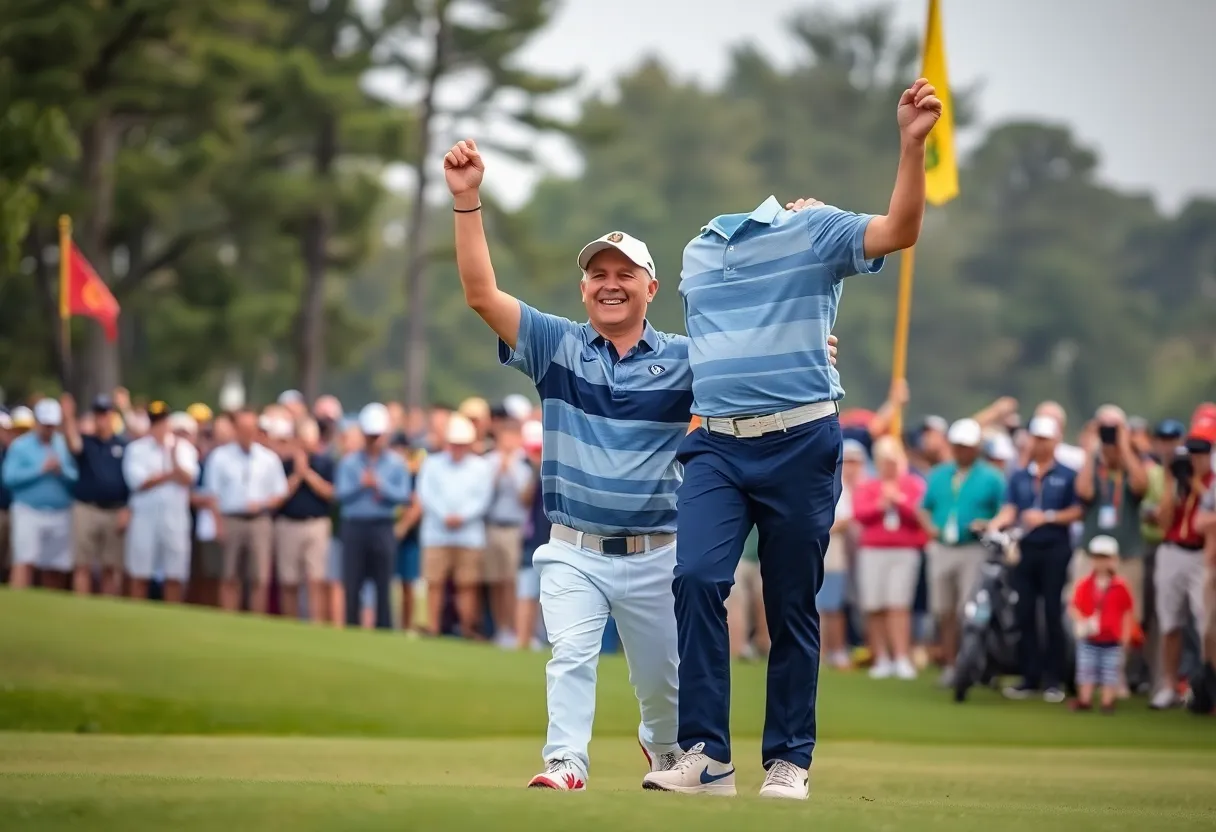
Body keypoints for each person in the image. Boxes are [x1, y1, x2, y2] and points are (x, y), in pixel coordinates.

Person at [444, 137, 839, 792]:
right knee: (570, 655)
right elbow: (481, 294)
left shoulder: (689, 357)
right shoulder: (555, 345)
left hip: (657, 552)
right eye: (598, 274)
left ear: (652, 287)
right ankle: (565, 763)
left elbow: (756, 359)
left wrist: (811, 344)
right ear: (583, 287)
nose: (610, 284)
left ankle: (666, 751)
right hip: (572, 548)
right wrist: (466, 201)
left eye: (625, 274)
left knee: (663, 691)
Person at [645, 77, 941, 800]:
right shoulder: (695, 252)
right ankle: (706, 756)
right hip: (717, 445)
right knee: (696, 579)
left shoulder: (816, 228)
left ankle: (789, 760)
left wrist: (910, 146)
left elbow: (900, 230)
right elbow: (716, 347)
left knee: (790, 604)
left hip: (801, 441)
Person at [988, 415, 1083, 703]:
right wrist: (995, 525)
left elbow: (1077, 511)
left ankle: (1054, 679)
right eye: (1036, 438)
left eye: (1044, 439)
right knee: (1024, 611)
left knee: (1052, 612)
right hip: (1025, 549)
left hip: (1055, 548)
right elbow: (1010, 508)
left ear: (1055, 441)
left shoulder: (1068, 474)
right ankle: (1030, 677)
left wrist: (1047, 517)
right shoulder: (1019, 475)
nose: (1039, 444)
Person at [919, 418, 1006, 687]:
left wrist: (989, 524)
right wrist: (930, 528)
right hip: (943, 547)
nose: (961, 451)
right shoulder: (939, 474)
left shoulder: (992, 477)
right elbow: (923, 508)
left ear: (977, 447)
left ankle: (973, 665)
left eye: (966, 446)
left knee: (967, 610)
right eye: (957, 446)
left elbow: (1004, 510)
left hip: (973, 548)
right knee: (944, 610)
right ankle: (951, 665)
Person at [852, 435, 928, 680]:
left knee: (898, 605)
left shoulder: (912, 484)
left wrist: (899, 502)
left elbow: (920, 515)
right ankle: (881, 658)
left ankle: (901, 657)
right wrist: (880, 505)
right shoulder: (869, 486)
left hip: (904, 551)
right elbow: (860, 514)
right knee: (875, 605)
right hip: (873, 550)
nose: (888, 466)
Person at [1149, 418, 1214, 709]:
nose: (1196, 460)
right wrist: (1171, 482)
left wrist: (1195, 484)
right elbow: (1163, 522)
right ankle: (1169, 685)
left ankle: (1203, 686)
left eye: (1201, 454)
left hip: (1201, 555)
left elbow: (1205, 516)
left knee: (1205, 626)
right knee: (1169, 622)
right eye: (1193, 454)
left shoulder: (1210, 483)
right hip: (1172, 550)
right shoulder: (1176, 479)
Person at [334, 403, 411, 630]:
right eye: (370, 436)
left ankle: (384, 628)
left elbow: (403, 495)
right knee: (352, 581)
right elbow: (340, 494)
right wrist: (361, 485)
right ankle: (351, 628)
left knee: (384, 583)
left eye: (377, 436)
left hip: (382, 526)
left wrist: (379, 485)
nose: (373, 440)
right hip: (354, 525)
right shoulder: (349, 462)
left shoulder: (396, 463)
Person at [417, 414, 494, 638]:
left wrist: (462, 517)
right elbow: (426, 494)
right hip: (437, 532)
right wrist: (445, 515)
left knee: (468, 583)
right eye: (454, 444)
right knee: (434, 582)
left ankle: (467, 628)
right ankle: (433, 627)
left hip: (468, 534)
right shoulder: (432, 464)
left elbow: (482, 498)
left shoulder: (480, 467)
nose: (457, 449)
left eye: (461, 444)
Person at [205, 409, 289, 614]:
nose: (248, 433)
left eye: (251, 428)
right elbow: (212, 494)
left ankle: (256, 620)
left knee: (260, 576)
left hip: (259, 520)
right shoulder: (220, 457)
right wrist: (217, 524)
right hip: (231, 518)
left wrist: (262, 504)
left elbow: (280, 493)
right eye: (243, 428)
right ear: (235, 430)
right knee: (229, 574)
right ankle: (228, 618)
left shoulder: (268, 458)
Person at [122, 401, 198, 601]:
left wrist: (173, 459)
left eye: (162, 422)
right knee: (140, 572)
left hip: (175, 518)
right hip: (145, 517)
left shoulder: (183, 448)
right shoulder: (136, 449)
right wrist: (170, 475)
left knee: (175, 573)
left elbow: (188, 478)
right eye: (156, 422)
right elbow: (139, 482)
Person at [2, 399, 78, 589]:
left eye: (52, 425)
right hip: (28, 510)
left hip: (60, 512)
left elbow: (76, 477)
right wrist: (39, 469)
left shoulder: (63, 445)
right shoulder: (21, 445)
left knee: (55, 567)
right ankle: (19, 601)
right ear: (37, 422)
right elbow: (9, 478)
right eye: (45, 425)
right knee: (24, 561)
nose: (48, 429)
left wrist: (61, 470)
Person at [61, 394, 130, 597]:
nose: (102, 419)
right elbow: (73, 443)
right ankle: (81, 606)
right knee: (82, 564)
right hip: (87, 508)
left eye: (106, 414)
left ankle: (108, 608)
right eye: (99, 414)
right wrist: (68, 417)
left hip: (115, 510)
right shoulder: (87, 442)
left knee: (111, 567)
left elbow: (129, 481)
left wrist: (127, 508)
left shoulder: (123, 445)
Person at [275, 418, 336, 622]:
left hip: (316, 524)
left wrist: (307, 474)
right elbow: (278, 496)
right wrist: (297, 475)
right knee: (289, 581)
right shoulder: (284, 465)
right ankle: (290, 624)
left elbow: (330, 493)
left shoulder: (325, 463)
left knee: (316, 580)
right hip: (288, 524)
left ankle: (315, 624)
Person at [482, 418, 535, 646]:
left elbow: (525, 498)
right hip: (492, 525)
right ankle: (500, 628)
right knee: (495, 580)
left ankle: (515, 630)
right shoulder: (488, 461)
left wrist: (511, 470)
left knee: (512, 581)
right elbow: (483, 494)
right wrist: (497, 472)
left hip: (515, 528)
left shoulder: (523, 463)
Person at [1069, 535, 1135, 713]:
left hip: (1112, 638)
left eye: (1105, 558)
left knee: (1110, 672)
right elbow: (1074, 606)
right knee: (1086, 670)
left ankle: (1107, 701)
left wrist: (1126, 636)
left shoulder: (1120, 586)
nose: (1101, 563)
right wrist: (1083, 621)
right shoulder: (1085, 584)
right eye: (1097, 558)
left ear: (1114, 560)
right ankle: (1085, 699)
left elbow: (1127, 612)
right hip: (1089, 637)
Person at [515, 419, 547, 651]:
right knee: (527, 591)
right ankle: (522, 640)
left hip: (554, 538)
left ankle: (541, 639)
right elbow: (524, 499)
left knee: (550, 596)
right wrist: (536, 471)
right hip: (533, 538)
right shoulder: (526, 469)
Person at [726, 527, 768, 661]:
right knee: (764, 602)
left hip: (740, 556)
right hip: (761, 556)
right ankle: (762, 646)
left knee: (738, 603)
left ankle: (740, 647)